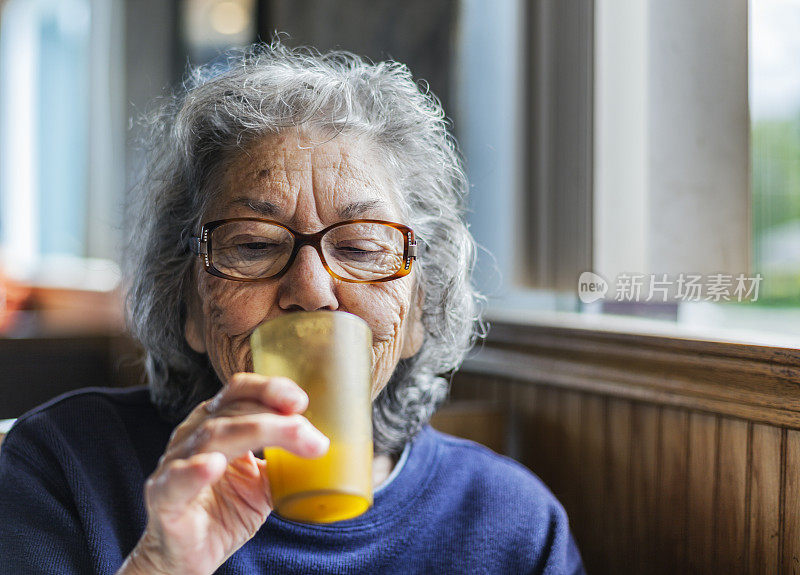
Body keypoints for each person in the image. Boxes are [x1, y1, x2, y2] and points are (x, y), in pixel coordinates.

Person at [0, 42, 585, 574]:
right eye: (254, 244)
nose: (311, 290)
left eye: (360, 247)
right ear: (192, 310)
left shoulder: (513, 525)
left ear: (416, 314)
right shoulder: (65, 466)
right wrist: (162, 564)